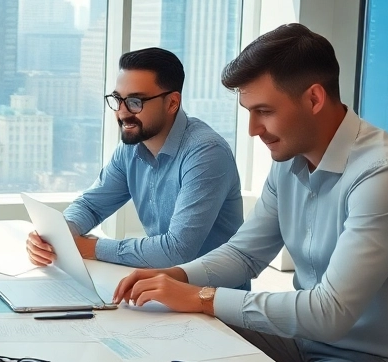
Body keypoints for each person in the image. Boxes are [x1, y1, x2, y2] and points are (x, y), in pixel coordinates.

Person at [113, 23, 388, 362]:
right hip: (310, 341)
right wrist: (175, 277)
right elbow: (244, 254)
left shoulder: (384, 175)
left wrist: (201, 296)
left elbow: (330, 312)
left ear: (314, 98)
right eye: (249, 112)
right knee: (176, 345)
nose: (253, 130)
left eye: (264, 111)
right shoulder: (290, 160)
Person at [26, 47, 243, 275]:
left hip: (211, 293)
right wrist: (57, 236)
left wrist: (90, 247)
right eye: (117, 100)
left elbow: (177, 250)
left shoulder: (207, 153)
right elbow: (90, 206)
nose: (122, 113)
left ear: (172, 103)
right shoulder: (131, 148)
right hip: (162, 285)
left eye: (135, 102)